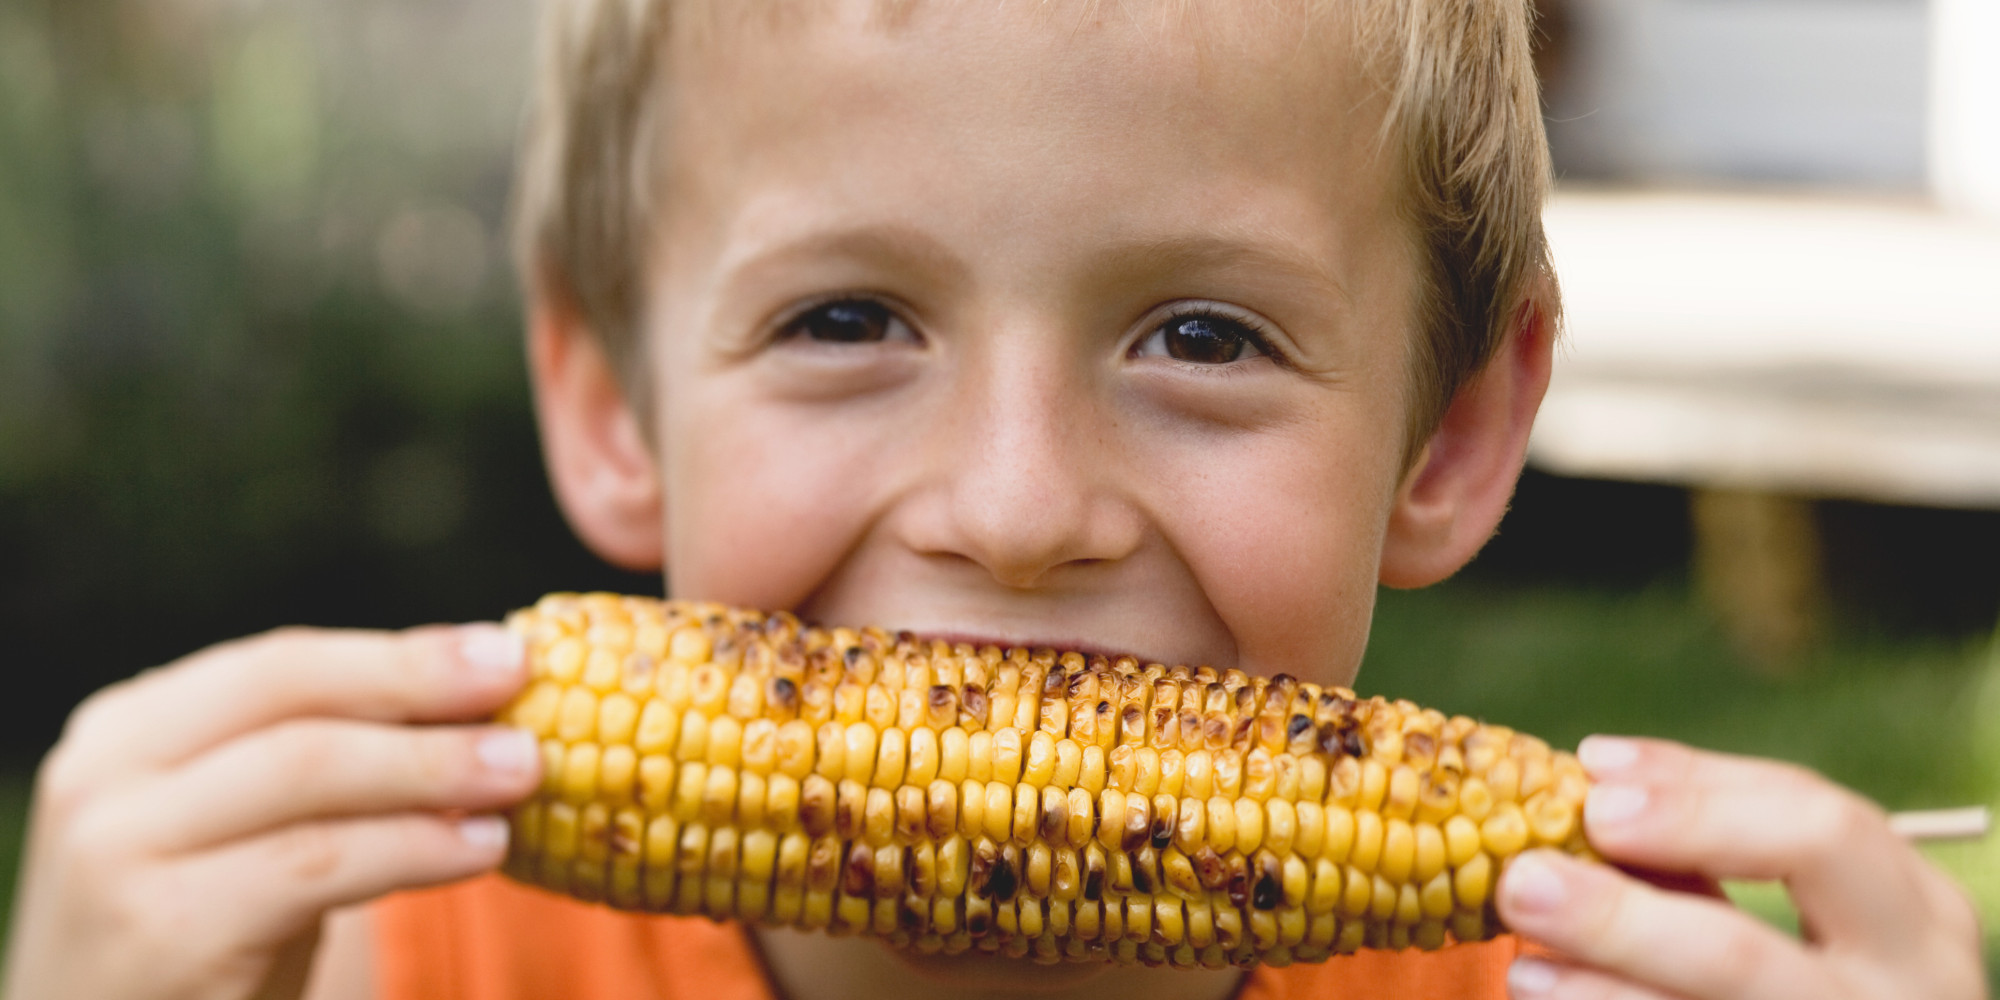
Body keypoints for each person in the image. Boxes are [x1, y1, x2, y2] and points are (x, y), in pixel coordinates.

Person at [4, 2, 1985, 999]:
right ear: (608, 401)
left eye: (1202, 336)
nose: (1021, 507)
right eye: (847, 315)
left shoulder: (1565, 983)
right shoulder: (395, 967)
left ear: (1449, 433)